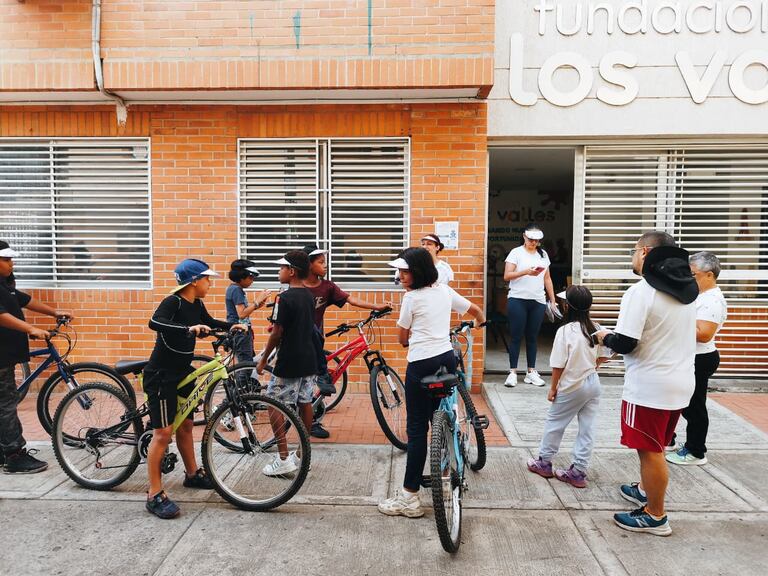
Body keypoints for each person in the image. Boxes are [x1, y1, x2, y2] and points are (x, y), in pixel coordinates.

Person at [595, 231, 698, 536]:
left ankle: (655, 515)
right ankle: (644, 489)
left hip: (650, 386)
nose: (632, 256)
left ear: (645, 253)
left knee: (649, 451)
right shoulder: (687, 290)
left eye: (633, 250)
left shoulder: (641, 292)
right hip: (681, 382)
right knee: (659, 445)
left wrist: (604, 337)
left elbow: (626, 342)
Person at [378, 247, 485, 518]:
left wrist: (410, 337)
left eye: (405, 271)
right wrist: (481, 322)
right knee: (444, 414)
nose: (400, 275)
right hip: (446, 360)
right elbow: (474, 310)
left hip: (421, 365)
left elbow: (402, 338)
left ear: (418, 272)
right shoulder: (444, 291)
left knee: (417, 431)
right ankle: (447, 476)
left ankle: (409, 498)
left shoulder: (411, 299)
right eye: (399, 271)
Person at [144, 258, 246, 519]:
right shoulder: (173, 302)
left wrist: (230, 326)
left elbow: (209, 321)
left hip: (182, 373)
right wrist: (187, 328)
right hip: (161, 375)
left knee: (187, 425)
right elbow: (155, 322)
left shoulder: (196, 303)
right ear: (193, 281)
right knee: (163, 433)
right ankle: (154, 493)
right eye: (207, 279)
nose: (210, 283)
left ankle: (192, 474)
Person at [301, 244, 390, 439]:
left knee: (308, 384)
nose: (325, 266)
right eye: (320, 262)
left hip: (315, 342)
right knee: (303, 382)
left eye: (325, 262)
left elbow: (351, 300)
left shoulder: (327, 287)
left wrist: (377, 306)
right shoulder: (297, 285)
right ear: (308, 265)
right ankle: (318, 385)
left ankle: (312, 417)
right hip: (297, 341)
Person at [527, 286, 611, 488]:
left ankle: (544, 462)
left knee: (555, 423)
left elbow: (558, 364)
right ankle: (578, 472)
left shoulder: (565, 331)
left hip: (572, 384)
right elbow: (606, 354)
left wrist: (553, 388)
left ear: (567, 306)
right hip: (593, 383)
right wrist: (593, 365)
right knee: (587, 429)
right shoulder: (595, 327)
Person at [0, 240, 73, 474]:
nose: (11, 263)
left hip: (7, 352)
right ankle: (14, 455)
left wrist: (54, 311)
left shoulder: (5, 284)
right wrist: (30, 329)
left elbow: (24, 300)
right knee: (6, 404)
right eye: (6, 259)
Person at [256, 250, 317, 476]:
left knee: (273, 402)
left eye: (282, 268)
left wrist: (263, 359)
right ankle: (302, 455)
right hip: (308, 357)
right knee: (304, 402)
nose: (279, 271)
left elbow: (277, 333)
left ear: (291, 272)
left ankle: (282, 458)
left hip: (289, 359)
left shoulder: (284, 298)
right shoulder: (309, 296)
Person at [666, 251, 727, 467]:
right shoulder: (701, 295)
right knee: (677, 401)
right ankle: (668, 439)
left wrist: (675, 320)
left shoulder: (712, 301)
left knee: (694, 407)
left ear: (709, 275)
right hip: (690, 357)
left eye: (693, 274)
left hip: (701, 358)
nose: (689, 279)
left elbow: (704, 334)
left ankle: (695, 451)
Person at [503, 224, 557, 388]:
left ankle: (531, 372)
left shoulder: (543, 254)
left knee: (533, 337)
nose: (533, 243)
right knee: (516, 336)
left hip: (538, 300)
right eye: (531, 240)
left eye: (536, 241)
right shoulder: (516, 252)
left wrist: (552, 300)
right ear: (524, 237)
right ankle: (512, 372)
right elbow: (507, 275)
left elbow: (547, 278)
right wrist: (525, 272)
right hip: (518, 298)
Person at [225, 259, 272, 369]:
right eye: (250, 277)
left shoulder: (233, 288)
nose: (252, 280)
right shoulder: (236, 290)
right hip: (240, 332)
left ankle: (246, 385)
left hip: (240, 331)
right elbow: (241, 314)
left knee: (247, 362)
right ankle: (242, 386)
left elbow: (243, 311)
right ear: (241, 276)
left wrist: (258, 304)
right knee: (245, 366)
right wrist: (256, 301)